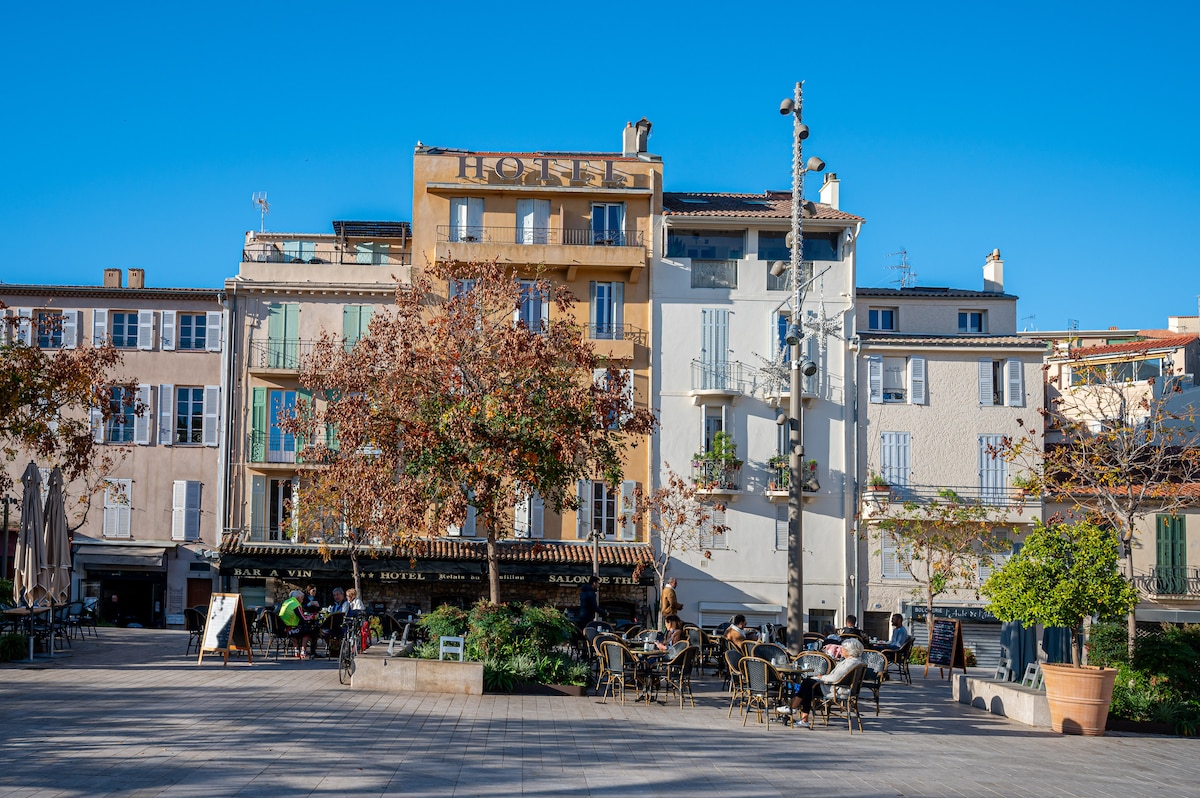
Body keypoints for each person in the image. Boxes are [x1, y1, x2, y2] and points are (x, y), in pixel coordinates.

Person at [778, 637, 866, 727]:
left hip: (836, 689)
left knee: (807, 685)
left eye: (843, 649)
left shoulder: (849, 663)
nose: (841, 650)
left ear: (849, 651)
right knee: (807, 685)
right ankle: (799, 714)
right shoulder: (855, 661)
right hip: (840, 688)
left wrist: (821, 677)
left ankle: (793, 709)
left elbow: (835, 678)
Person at [278, 589, 316, 659]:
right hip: (289, 629)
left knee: (300, 628)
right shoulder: (295, 604)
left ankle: (297, 651)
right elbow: (304, 618)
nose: (302, 600)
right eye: (302, 598)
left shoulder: (287, 602)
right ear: (298, 598)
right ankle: (303, 652)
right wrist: (312, 616)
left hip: (282, 627)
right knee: (307, 631)